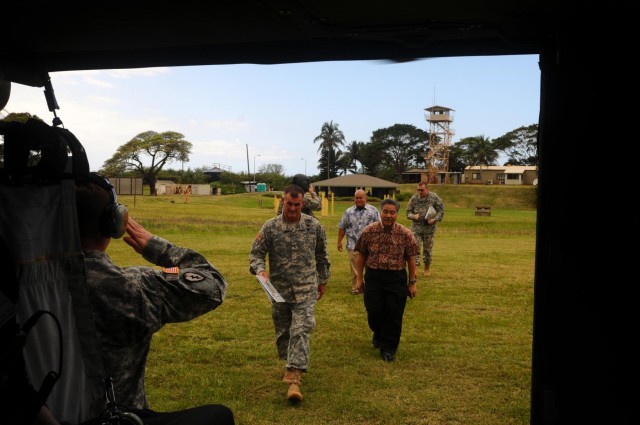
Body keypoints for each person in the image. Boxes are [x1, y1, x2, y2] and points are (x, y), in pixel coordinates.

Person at [75, 173, 234, 424]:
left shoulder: (24, 282)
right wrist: (157, 247)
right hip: (120, 418)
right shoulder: (131, 287)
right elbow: (212, 284)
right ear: (114, 223)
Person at [249, 184, 330, 402]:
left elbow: (322, 256)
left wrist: (322, 280)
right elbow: (255, 254)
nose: (293, 208)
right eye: (289, 204)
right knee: (284, 333)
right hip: (279, 292)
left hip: (306, 289)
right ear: (283, 202)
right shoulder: (270, 227)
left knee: (300, 330)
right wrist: (261, 270)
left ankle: (294, 379)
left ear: (302, 204)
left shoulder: (314, 226)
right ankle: (289, 361)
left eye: (297, 204)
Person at [354, 198, 419, 363]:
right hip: (374, 277)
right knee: (374, 311)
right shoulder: (369, 231)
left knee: (394, 314)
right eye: (385, 212)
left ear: (397, 214)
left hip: (396, 278)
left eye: (392, 212)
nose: (388, 215)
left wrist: (412, 283)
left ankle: (389, 348)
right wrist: (359, 279)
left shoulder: (405, 234)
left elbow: (411, 259)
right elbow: (361, 254)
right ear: (380, 212)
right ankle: (378, 332)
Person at [337, 189, 381, 295]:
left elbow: (380, 226)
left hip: (371, 245)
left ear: (365, 198)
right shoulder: (348, 212)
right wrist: (339, 241)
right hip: (353, 245)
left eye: (361, 198)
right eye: (356, 198)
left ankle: (371, 287)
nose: (359, 200)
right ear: (354, 199)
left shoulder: (373, 211)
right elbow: (342, 227)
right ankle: (357, 287)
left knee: (370, 267)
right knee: (355, 268)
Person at [405, 181, 445, 276]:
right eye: (418, 190)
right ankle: (415, 269)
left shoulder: (434, 197)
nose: (419, 192)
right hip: (416, 228)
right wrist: (414, 216)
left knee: (427, 250)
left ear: (427, 189)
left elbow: (441, 211)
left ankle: (427, 269)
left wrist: (434, 219)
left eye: (422, 190)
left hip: (429, 229)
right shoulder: (414, 198)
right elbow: (408, 213)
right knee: (415, 248)